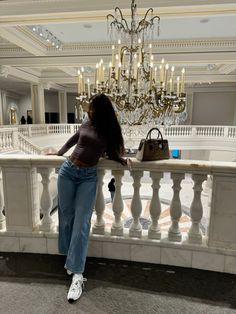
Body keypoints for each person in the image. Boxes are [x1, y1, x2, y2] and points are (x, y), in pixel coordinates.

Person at [53, 93, 126, 303]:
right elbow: (76, 138)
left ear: (101, 110)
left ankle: (77, 274)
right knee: (66, 217)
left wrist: (121, 160)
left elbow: (112, 152)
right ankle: (70, 258)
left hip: (87, 177)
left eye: (92, 108)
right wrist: (59, 153)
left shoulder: (109, 130)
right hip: (68, 171)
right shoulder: (87, 122)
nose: (88, 110)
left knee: (82, 223)